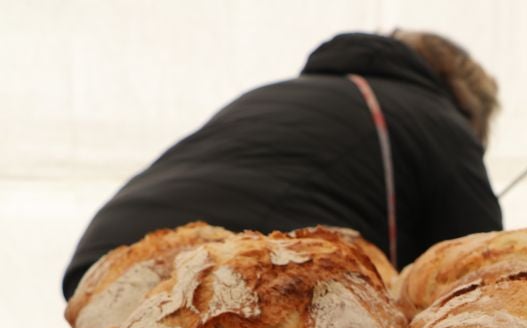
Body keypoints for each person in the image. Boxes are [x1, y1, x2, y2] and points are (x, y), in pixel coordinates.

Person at [62, 30, 502, 300]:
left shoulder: (281, 93)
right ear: (466, 104)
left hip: (106, 264)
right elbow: (477, 270)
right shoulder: (437, 118)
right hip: (240, 268)